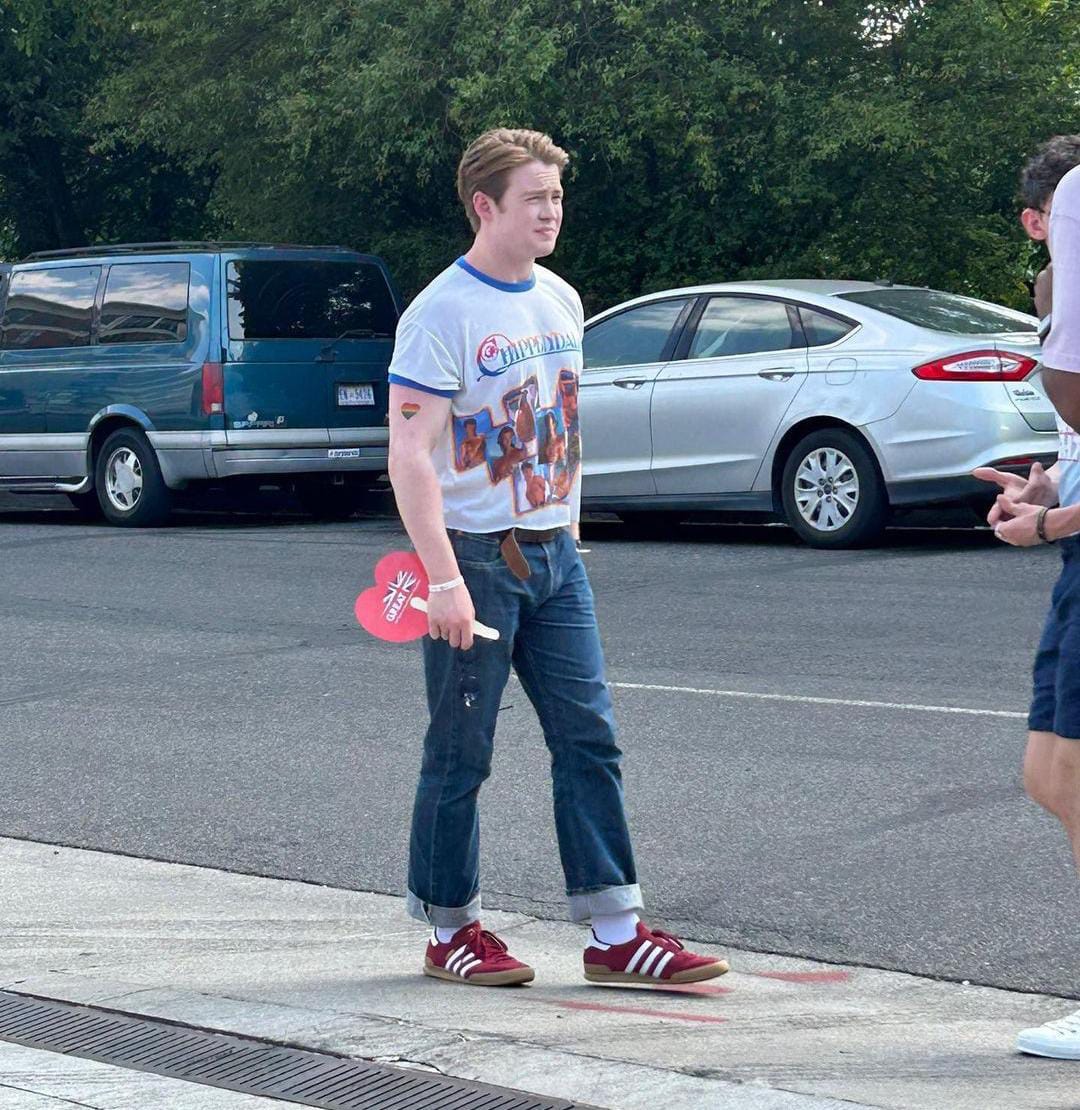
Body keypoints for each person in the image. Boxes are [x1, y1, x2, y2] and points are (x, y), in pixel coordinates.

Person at [386, 127, 728, 987]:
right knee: (462, 753)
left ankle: (616, 934)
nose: (552, 211)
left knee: (591, 739)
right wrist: (444, 583)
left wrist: (567, 526)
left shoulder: (562, 300)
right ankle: (448, 930)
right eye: (535, 197)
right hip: (474, 560)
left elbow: (559, 426)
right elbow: (411, 456)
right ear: (485, 206)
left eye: (557, 196)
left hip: (554, 557)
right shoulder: (439, 316)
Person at [978, 135, 1080, 1059]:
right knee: (1051, 776)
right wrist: (1046, 486)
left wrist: (1054, 522)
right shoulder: (1062, 304)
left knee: (1072, 776)